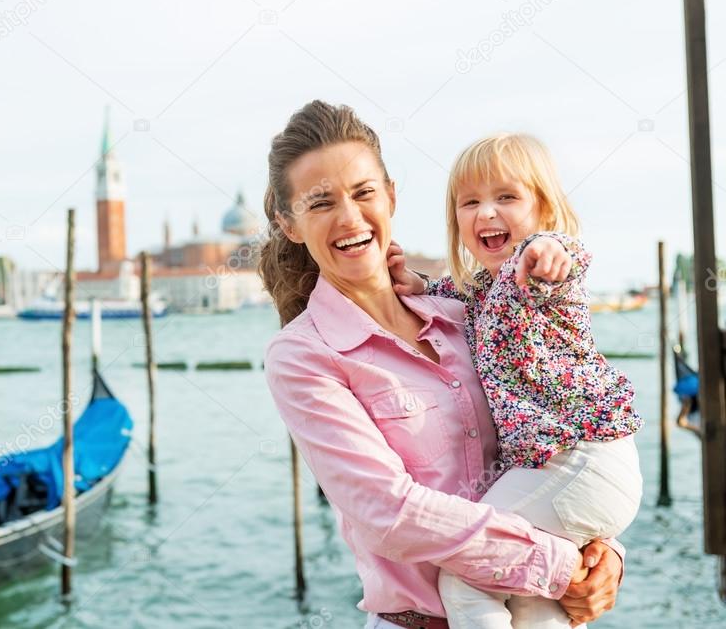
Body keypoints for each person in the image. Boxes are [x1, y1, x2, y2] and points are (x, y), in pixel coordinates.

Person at [259, 101, 624, 629]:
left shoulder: (467, 315)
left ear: (390, 196)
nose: (349, 217)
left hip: (535, 607)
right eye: (320, 203)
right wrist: (561, 566)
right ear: (288, 224)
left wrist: (604, 554)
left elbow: (559, 433)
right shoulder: (303, 356)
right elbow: (390, 514)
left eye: (363, 193)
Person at [387, 133, 643, 628]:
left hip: (579, 461)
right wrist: (417, 285)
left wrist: (546, 248)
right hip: (573, 465)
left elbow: (564, 255)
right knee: (530, 597)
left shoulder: (535, 268)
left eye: (506, 197)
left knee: (465, 573)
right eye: (471, 202)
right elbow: (450, 291)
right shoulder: (483, 286)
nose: (486, 213)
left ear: (543, 208)